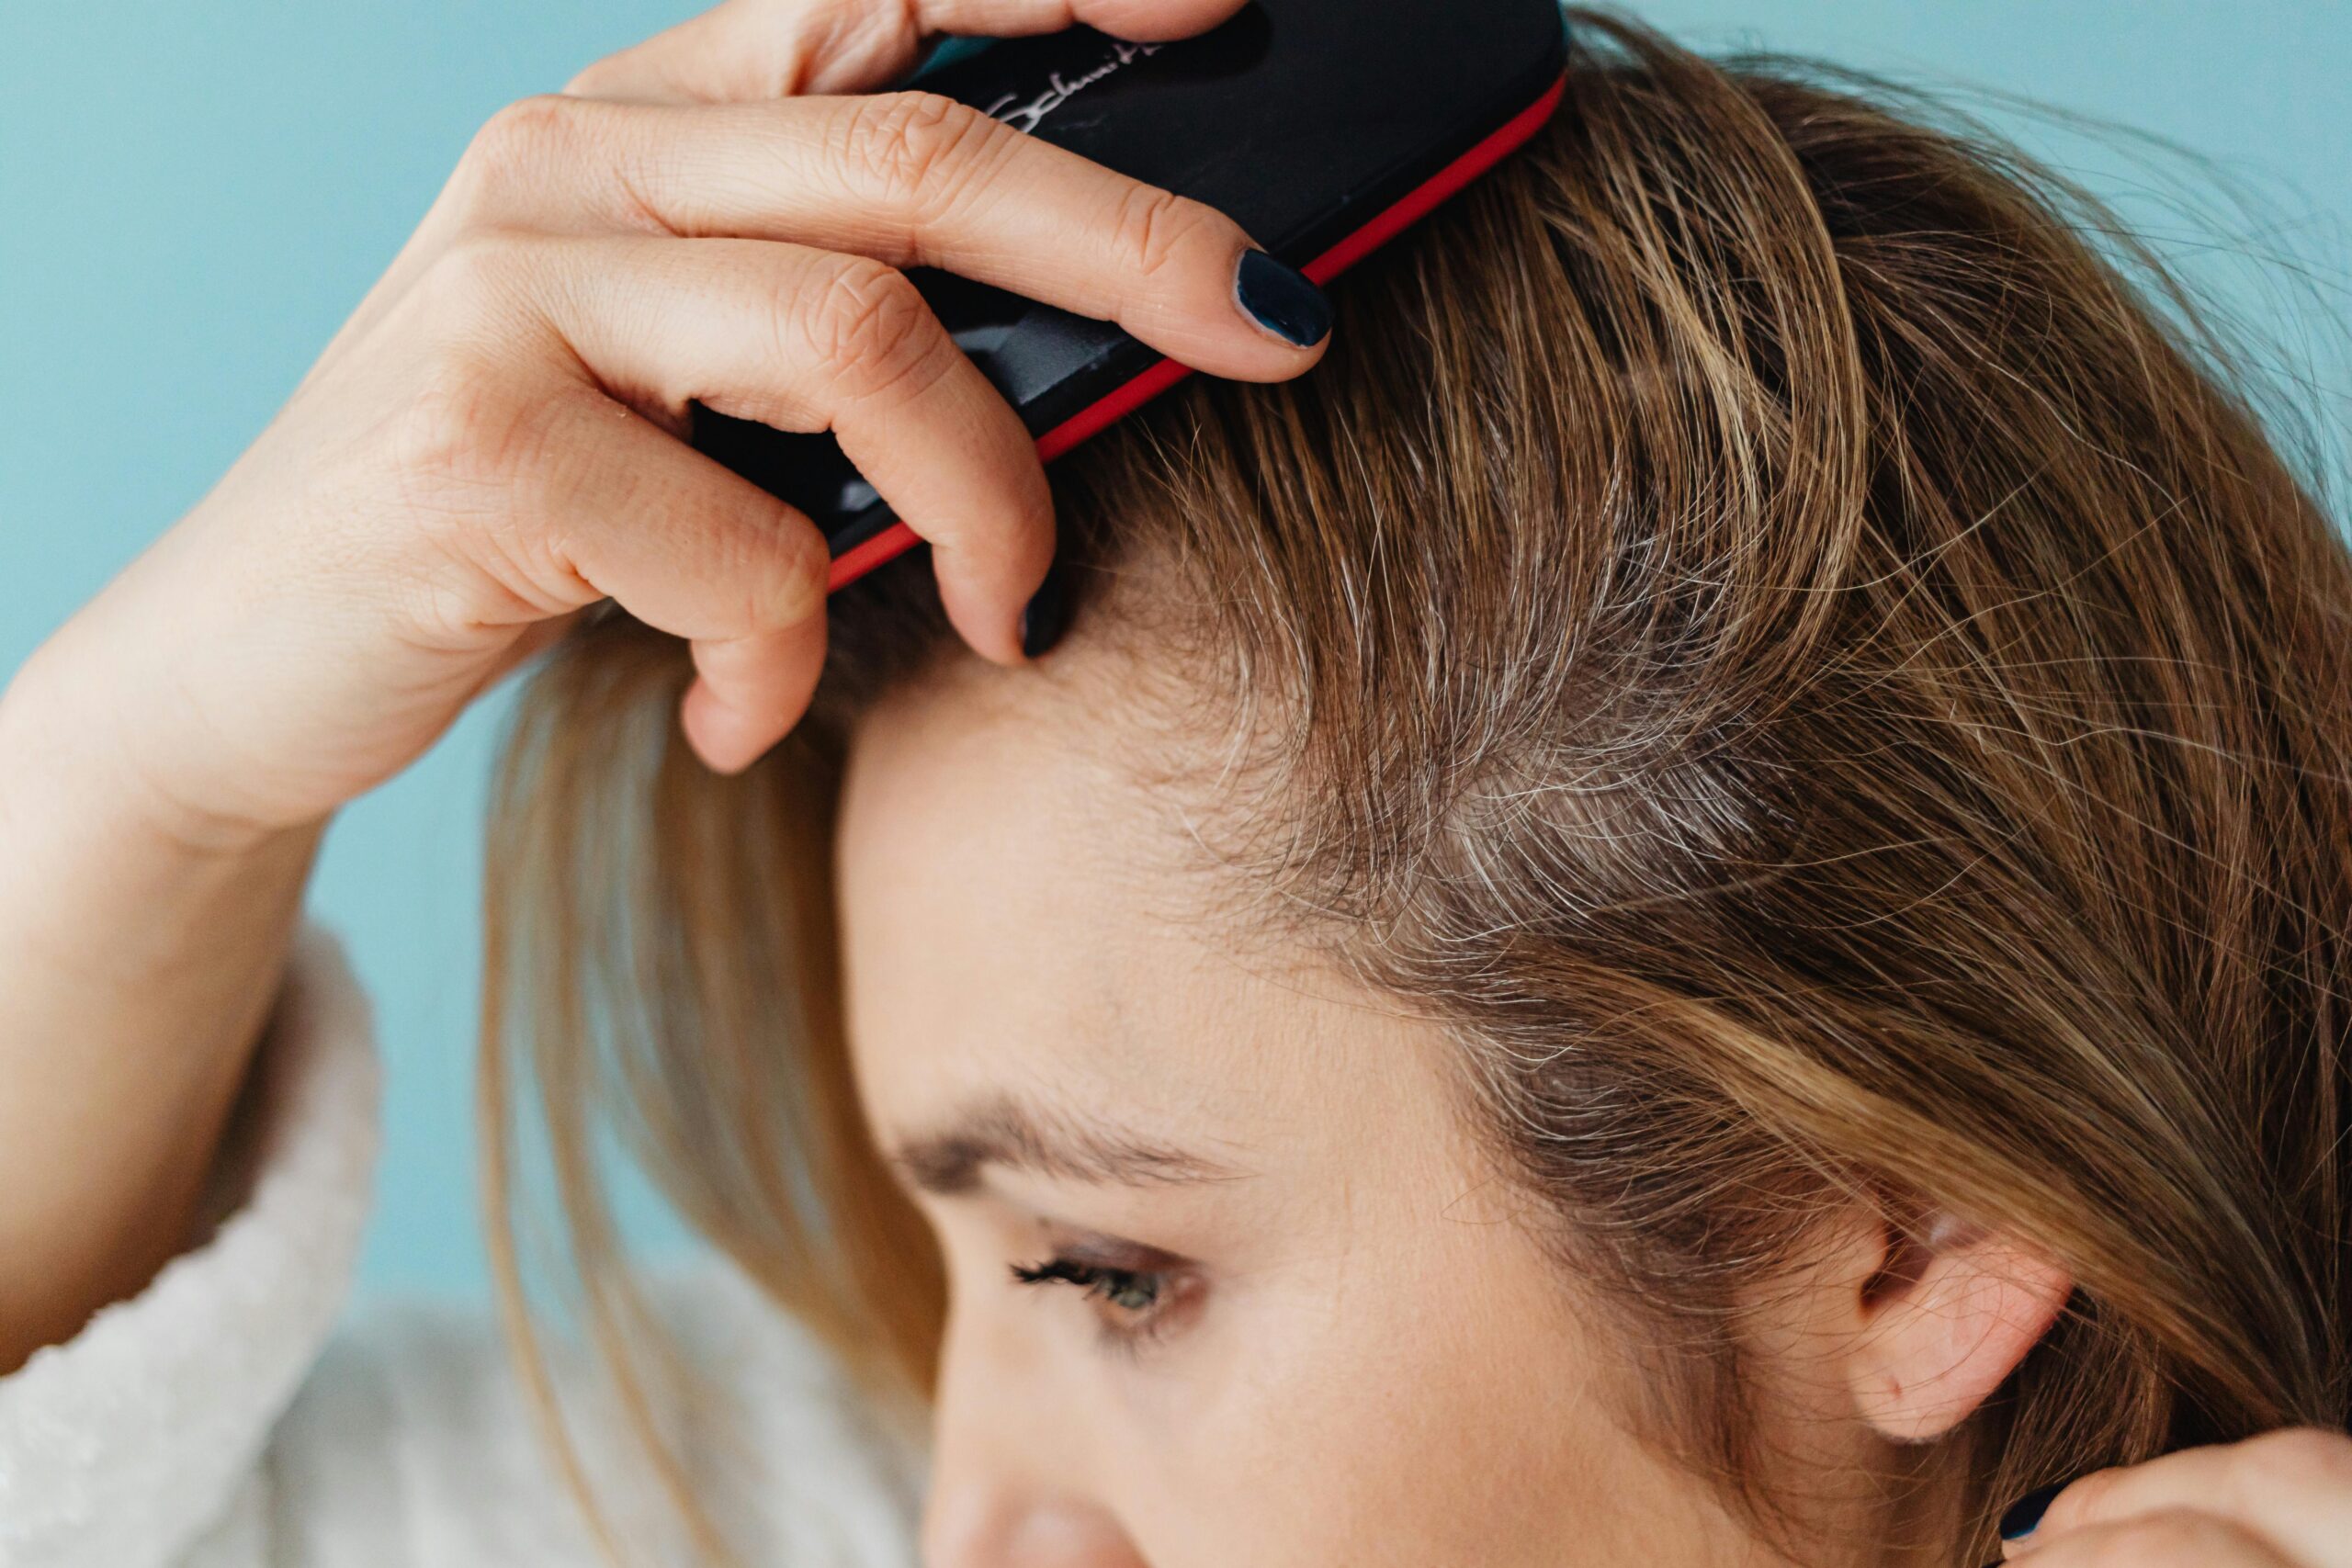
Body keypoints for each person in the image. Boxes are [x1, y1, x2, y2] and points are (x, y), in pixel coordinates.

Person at [2, 1, 2348, 1564]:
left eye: (1105, 1273)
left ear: (1900, 1224)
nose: (961, 1529)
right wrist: (145, 769)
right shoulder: (786, 1489)